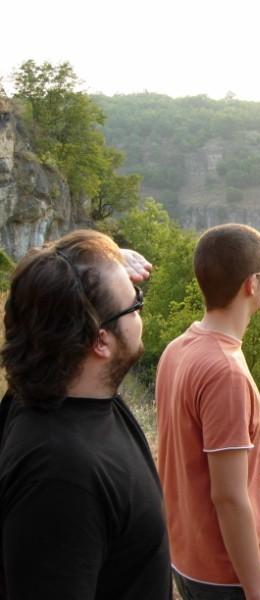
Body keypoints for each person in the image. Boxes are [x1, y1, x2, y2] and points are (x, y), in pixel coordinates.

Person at [0, 230, 170, 600]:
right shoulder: (61, 476)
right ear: (100, 341)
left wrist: (99, 264)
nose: (141, 311)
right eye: (135, 303)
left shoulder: (46, 392)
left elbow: (41, 296)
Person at [156, 223, 260, 600]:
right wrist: (258, 592)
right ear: (251, 284)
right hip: (229, 575)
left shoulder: (177, 350)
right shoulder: (225, 374)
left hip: (187, 559)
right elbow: (229, 496)